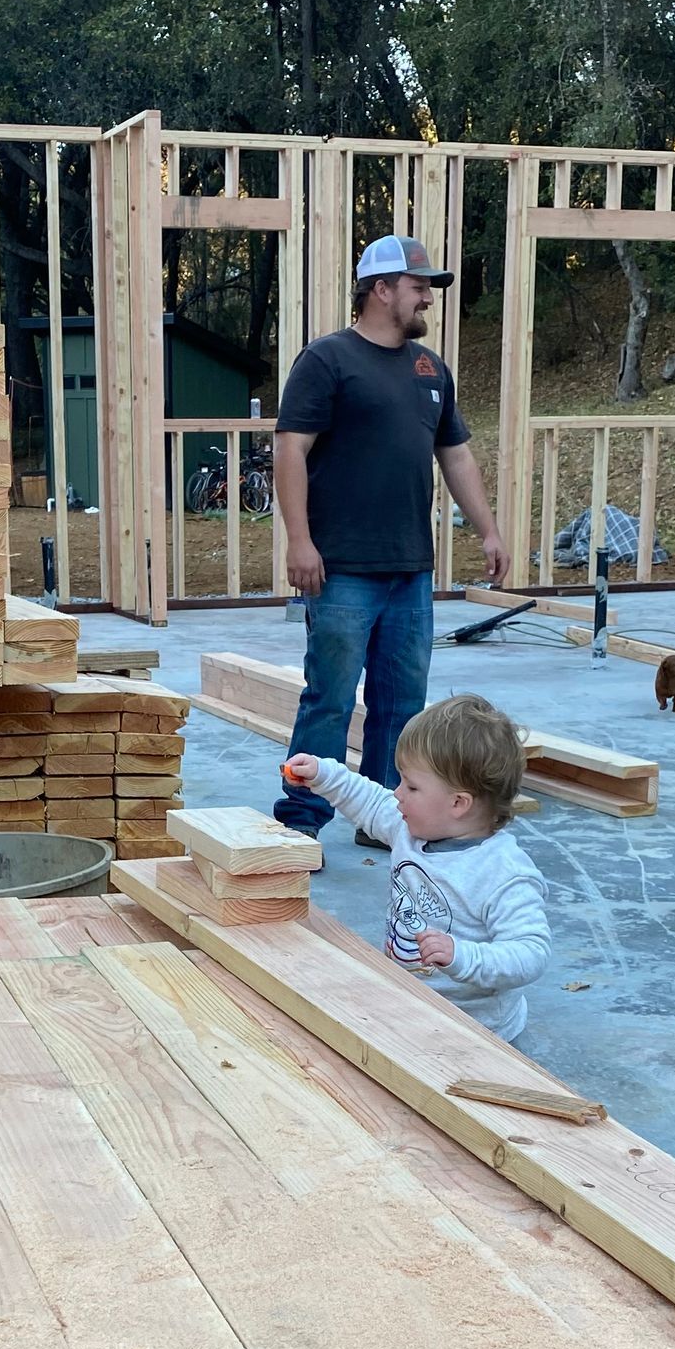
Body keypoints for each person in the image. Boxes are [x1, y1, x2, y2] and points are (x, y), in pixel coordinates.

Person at [272, 235, 510, 840]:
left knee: (402, 706)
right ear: (380, 290)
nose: (428, 297)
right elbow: (290, 449)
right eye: (418, 286)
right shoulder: (327, 360)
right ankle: (300, 824)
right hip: (343, 567)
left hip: (411, 568)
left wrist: (488, 530)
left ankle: (382, 820)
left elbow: (454, 455)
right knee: (328, 701)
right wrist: (299, 542)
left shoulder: (430, 371)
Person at [282, 692, 550, 1043]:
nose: (397, 793)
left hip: (477, 1030)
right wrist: (323, 775)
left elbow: (531, 952)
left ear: (458, 803)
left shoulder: (503, 873)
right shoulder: (410, 827)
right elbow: (370, 800)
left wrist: (463, 955)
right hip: (408, 1001)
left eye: (411, 785)